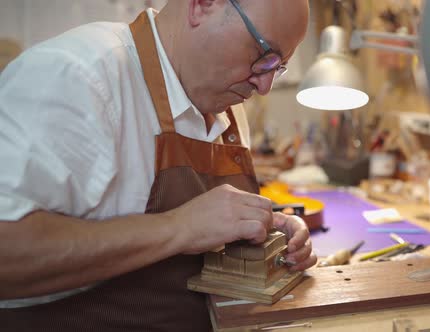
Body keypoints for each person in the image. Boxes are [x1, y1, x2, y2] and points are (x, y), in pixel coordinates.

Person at [0, 0, 316, 331]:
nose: (264, 87)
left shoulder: (227, 104)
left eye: (277, 67)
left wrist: (267, 227)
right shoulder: (76, 76)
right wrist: (179, 228)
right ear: (202, 6)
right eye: (263, 53)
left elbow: (210, 226)